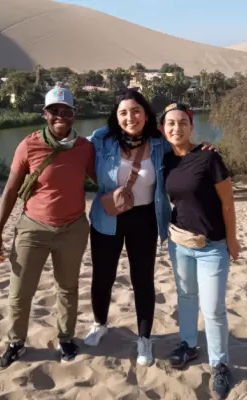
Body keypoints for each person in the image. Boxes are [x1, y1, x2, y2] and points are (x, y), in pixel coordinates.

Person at [0, 85, 96, 370]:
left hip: (73, 229)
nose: (61, 116)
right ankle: (16, 343)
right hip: (32, 229)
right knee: (20, 291)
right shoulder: (28, 145)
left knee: (67, 287)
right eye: (55, 111)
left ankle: (65, 338)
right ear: (45, 114)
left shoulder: (84, 147)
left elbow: (103, 180)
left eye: (67, 112)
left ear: (74, 115)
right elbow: (10, 191)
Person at [83, 89, 171, 366]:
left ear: (145, 114)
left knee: (143, 280)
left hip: (145, 219)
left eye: (135, 111)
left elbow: (185, 151)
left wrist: (205, 148)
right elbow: (72, 151)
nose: (130, 117)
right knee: (103, 276)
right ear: (116, 116)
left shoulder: (160, 144)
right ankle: (100, 324)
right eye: (123, 112)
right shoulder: (101, 139)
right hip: (106, 216)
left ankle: (144, 339)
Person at [160, 103, 240, 399]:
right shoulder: (166, 160)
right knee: (186, 297)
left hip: (212, 246)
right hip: (179, 242)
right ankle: (189, 345)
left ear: (192, 127)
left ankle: (219, 364)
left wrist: (232, 239)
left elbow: (227, 204)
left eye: (182, 123)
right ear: (162, 129)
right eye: (170, 123)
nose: (176, 128)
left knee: (214, 309)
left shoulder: (210, 157)